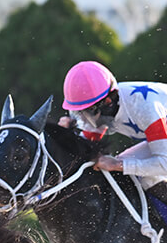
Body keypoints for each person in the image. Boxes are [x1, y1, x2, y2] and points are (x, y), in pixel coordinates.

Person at [60, 60, 167, 202]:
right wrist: (64, 136)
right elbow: (85, 149)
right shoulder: (100, 106)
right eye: (79, 113)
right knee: (127, 165)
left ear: (108, 102)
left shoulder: (144, 108)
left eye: (87, 112)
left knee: (132, 168)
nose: (84, 121)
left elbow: (164, 164)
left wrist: (118, 165)